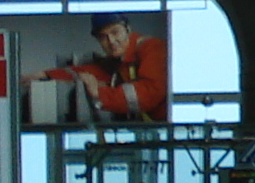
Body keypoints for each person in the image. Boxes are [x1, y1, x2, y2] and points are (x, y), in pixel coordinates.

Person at [35, 15, 170, 124]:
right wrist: (46, 75)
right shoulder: (122, 60)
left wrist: (98, 94)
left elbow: (148, 94)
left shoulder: (153, 48)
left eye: (115, 32)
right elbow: (91, 71)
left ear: (128, 29)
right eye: (103, 37)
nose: (111, 41)